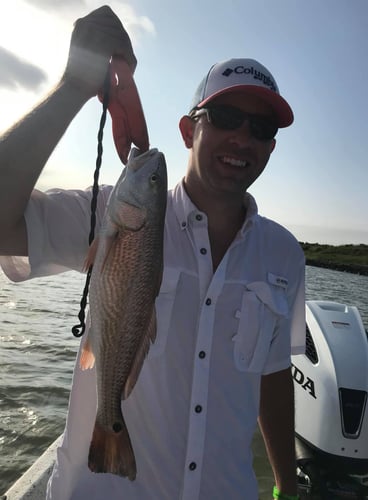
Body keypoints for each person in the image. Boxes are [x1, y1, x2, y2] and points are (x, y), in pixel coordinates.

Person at [0, 5, 305, 500]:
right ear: (189, 130)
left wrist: (288, 490)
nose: (242, 138)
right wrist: (74, 86)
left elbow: (272, 376)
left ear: (271, 148)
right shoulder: (104, 214)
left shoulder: (285, 255)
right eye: (227, 117)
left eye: (261, 129)